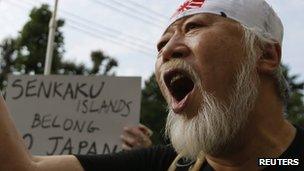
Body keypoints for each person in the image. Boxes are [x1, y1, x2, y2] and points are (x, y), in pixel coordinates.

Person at [0, 0, 303, 170]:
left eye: (193, 27)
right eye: (162, 44)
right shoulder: (161, 166)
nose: (167, 50)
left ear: (265, 54)